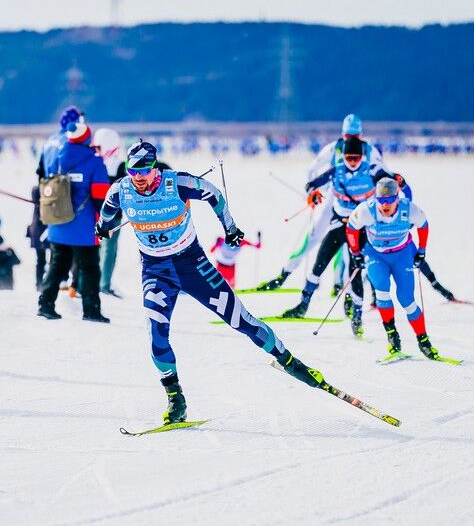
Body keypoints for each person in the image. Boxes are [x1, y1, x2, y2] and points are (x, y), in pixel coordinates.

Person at [96, 140, 326, 423]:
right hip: (156, 272)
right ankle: (175, 399)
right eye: (133, 173)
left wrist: (230, 229)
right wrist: (103, 226)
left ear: (154, 168)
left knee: (241, 320)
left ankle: (291, 362)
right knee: (156, 333)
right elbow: (107, 210)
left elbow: (214, 194)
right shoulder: (121, 189)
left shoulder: (177, 183)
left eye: (143, 172)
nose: (138, 179)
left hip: (193, 266)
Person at [280, 133, 409, 338]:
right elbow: (312, 183)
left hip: (361, 229)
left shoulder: (372, 171)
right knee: (319, 264)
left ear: (362, 158)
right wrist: (312, 193)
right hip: (339, 225)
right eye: (348, 158)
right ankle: (303, 305)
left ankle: (356, 318)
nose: (352, 163)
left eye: (356, 159)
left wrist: (400, 188)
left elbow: (393, 183)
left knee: (355, 271)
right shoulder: (337, 171)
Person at [257, 114, 388, 291]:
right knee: (314, 237)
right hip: (335, 199)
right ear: (342, 134)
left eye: (353, 136)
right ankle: (284, 275)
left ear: (360, 135)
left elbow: (385, 178)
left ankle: (339, 284)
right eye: (347, 136)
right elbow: (312, 169)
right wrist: (316, 192)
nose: (349, 139)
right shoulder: (334, 148)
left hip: (361, 203)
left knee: (352, 246)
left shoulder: (370, 151)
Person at [346, 178, 444, 360]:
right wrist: (356, 253)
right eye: (381, 201)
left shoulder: (410, 209)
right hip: (376, 255)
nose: (385, 205)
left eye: (390, 200)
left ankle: (424, 342)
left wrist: (421, 251)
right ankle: (392, 336)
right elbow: (351, 229)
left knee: (407, 300)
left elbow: (423, 226)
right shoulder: (366, 210)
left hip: (402, 255)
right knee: (382, 291)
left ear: (397, 198)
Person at [37, 118, 110, 322]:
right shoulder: (94, 161)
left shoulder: (56, 158)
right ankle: (91, 310)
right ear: (87, 138)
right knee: (89, 268)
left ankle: (45, 304)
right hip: (84, 228)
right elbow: (100, 196)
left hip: (58, 224)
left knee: (57, 266)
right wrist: (107, 220)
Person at [92, 127, 125, 297]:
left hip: (98, 214)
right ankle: (103, 284)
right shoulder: (119, 165)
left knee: (101, 250)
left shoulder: (96, 162)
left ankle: (101, 283)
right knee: (108, 251)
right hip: (112, 217)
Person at [26, 185, 48, 290]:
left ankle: (40, 284)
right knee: (43, 260)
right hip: (41, 229)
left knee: (42, 261)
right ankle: (40, 284)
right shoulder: (39, 189)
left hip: (38, 229)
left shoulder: (37, 189)